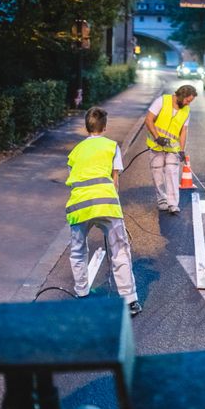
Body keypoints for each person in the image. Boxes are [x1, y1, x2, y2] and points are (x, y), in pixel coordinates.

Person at [66, 107, 141, 317]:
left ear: (86, 127)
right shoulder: (111, 147)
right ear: (105, 127)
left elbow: (73, 180)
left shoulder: (75, 152)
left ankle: (81, 294)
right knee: (120, 250)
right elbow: (114, 180)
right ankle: (130, 300)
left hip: (78, 206)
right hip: (106, 203)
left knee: (78, 252)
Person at [144, 84, 198, 214]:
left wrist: (182, 150)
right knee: (157, 173)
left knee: (171, 171)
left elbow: (183, 131)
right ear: (180, 95)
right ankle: (162, 200)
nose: (187, 103)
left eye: (190, 101)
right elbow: (148, 120)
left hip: (173, 148)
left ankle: (173, 204)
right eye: (187, 100)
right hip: (156, 145)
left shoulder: (186, 110)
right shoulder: (162, 101)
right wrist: (157, 137)